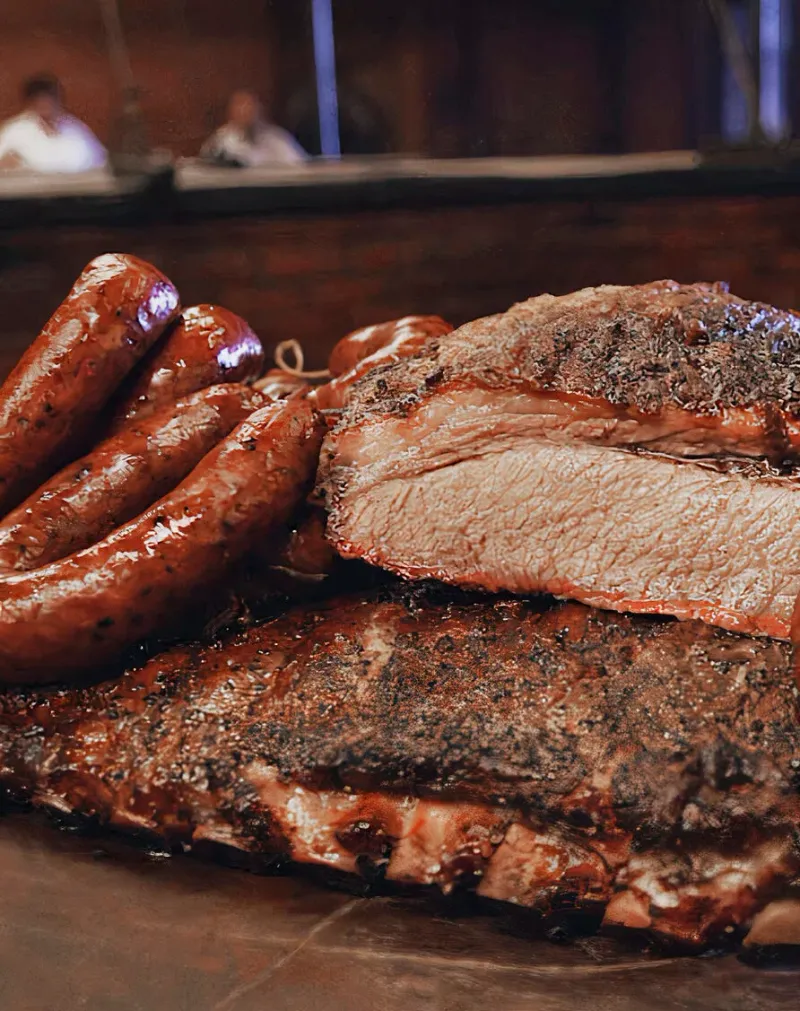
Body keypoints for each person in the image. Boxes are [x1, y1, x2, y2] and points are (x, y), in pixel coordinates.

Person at [0, 74, 106, 173]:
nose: (47, 104)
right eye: (41, 100)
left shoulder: (76, 129)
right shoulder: (15, 131)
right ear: (31, 103)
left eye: (52, 99)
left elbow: (102, 162)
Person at [200, 90, 307, 168]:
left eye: (248, 107)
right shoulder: (221, 141)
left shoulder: (276, 138)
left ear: (258, 111)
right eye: (239, 108)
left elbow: (300, 165)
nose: (244, 113)